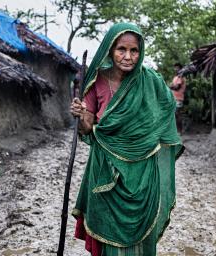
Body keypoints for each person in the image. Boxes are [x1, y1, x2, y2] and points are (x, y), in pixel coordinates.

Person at [69, 23, 183, 255]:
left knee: (141, 231)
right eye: (122, 49)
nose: (128, 57)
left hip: (143, 172)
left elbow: (165, 114)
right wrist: (81, 115)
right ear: (111, 49)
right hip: (105, 168)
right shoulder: (97, 80)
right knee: (107, 230)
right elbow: (88, 127)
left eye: (134, 51)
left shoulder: (150, 81)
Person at [169, 63, 187, 132]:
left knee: (177, 114)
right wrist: (171, 86)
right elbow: (172, 86)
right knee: (173, 114)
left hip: (179, 98)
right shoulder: (175, 78)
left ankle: (180, 130)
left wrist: (170, 87)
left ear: (181, 69)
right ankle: (175, 130)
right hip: (173, 98)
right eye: (175, 68)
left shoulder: (181, 77)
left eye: (177, 68)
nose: (176, 69)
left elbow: (177, 87)